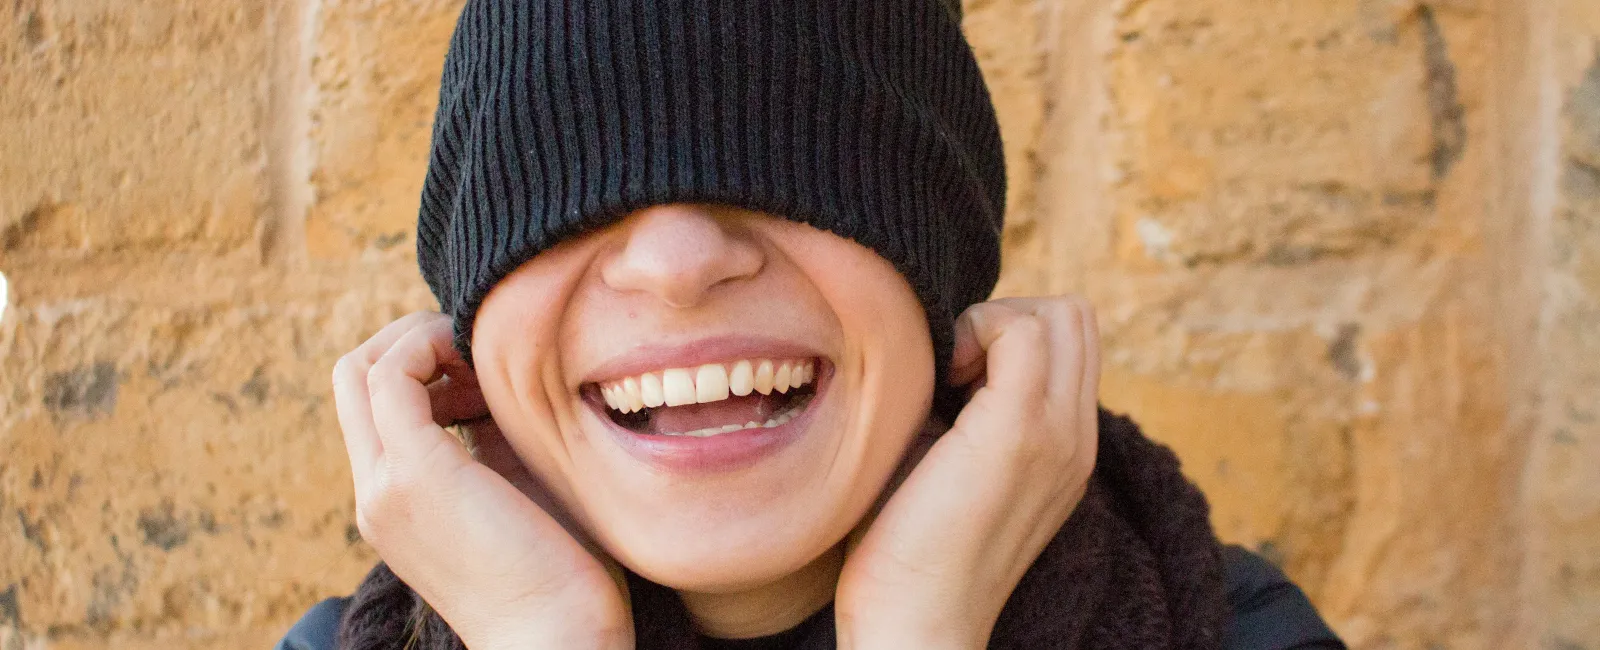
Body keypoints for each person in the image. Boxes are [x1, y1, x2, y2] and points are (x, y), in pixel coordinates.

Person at [277, 1, 1345, 648]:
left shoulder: (1240, 630)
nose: (678, 263)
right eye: (579, 198)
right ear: (468, 340)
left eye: (781, 169)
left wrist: (921, 626)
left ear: (936, 268)